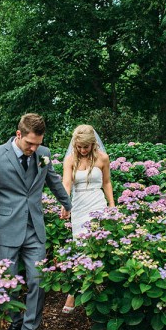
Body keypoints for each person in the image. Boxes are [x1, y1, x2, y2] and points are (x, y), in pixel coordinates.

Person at [0, 113, 72, 330]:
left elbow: (54, 181)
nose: (34, 148)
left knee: (38, 280)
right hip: (5, 230)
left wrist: (68, 204)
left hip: (34, 229)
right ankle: (14, 320)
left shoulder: (43, 154)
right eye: (30, 143)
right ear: (19, 134)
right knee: (8, 282)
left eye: (38, 144)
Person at [59, 125, 115, 313]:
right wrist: (65, 204)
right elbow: (66, 183)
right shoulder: (70, 160)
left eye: (86, 147)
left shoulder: (103, 158)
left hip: (97, 204)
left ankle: (96, 285)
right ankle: (75, 290)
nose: (83, 150)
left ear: (93, 144)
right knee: (80, 245)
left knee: (97, 244)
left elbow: (106, 182)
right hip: (79, 206)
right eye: (79, 147)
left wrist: (112, 206)